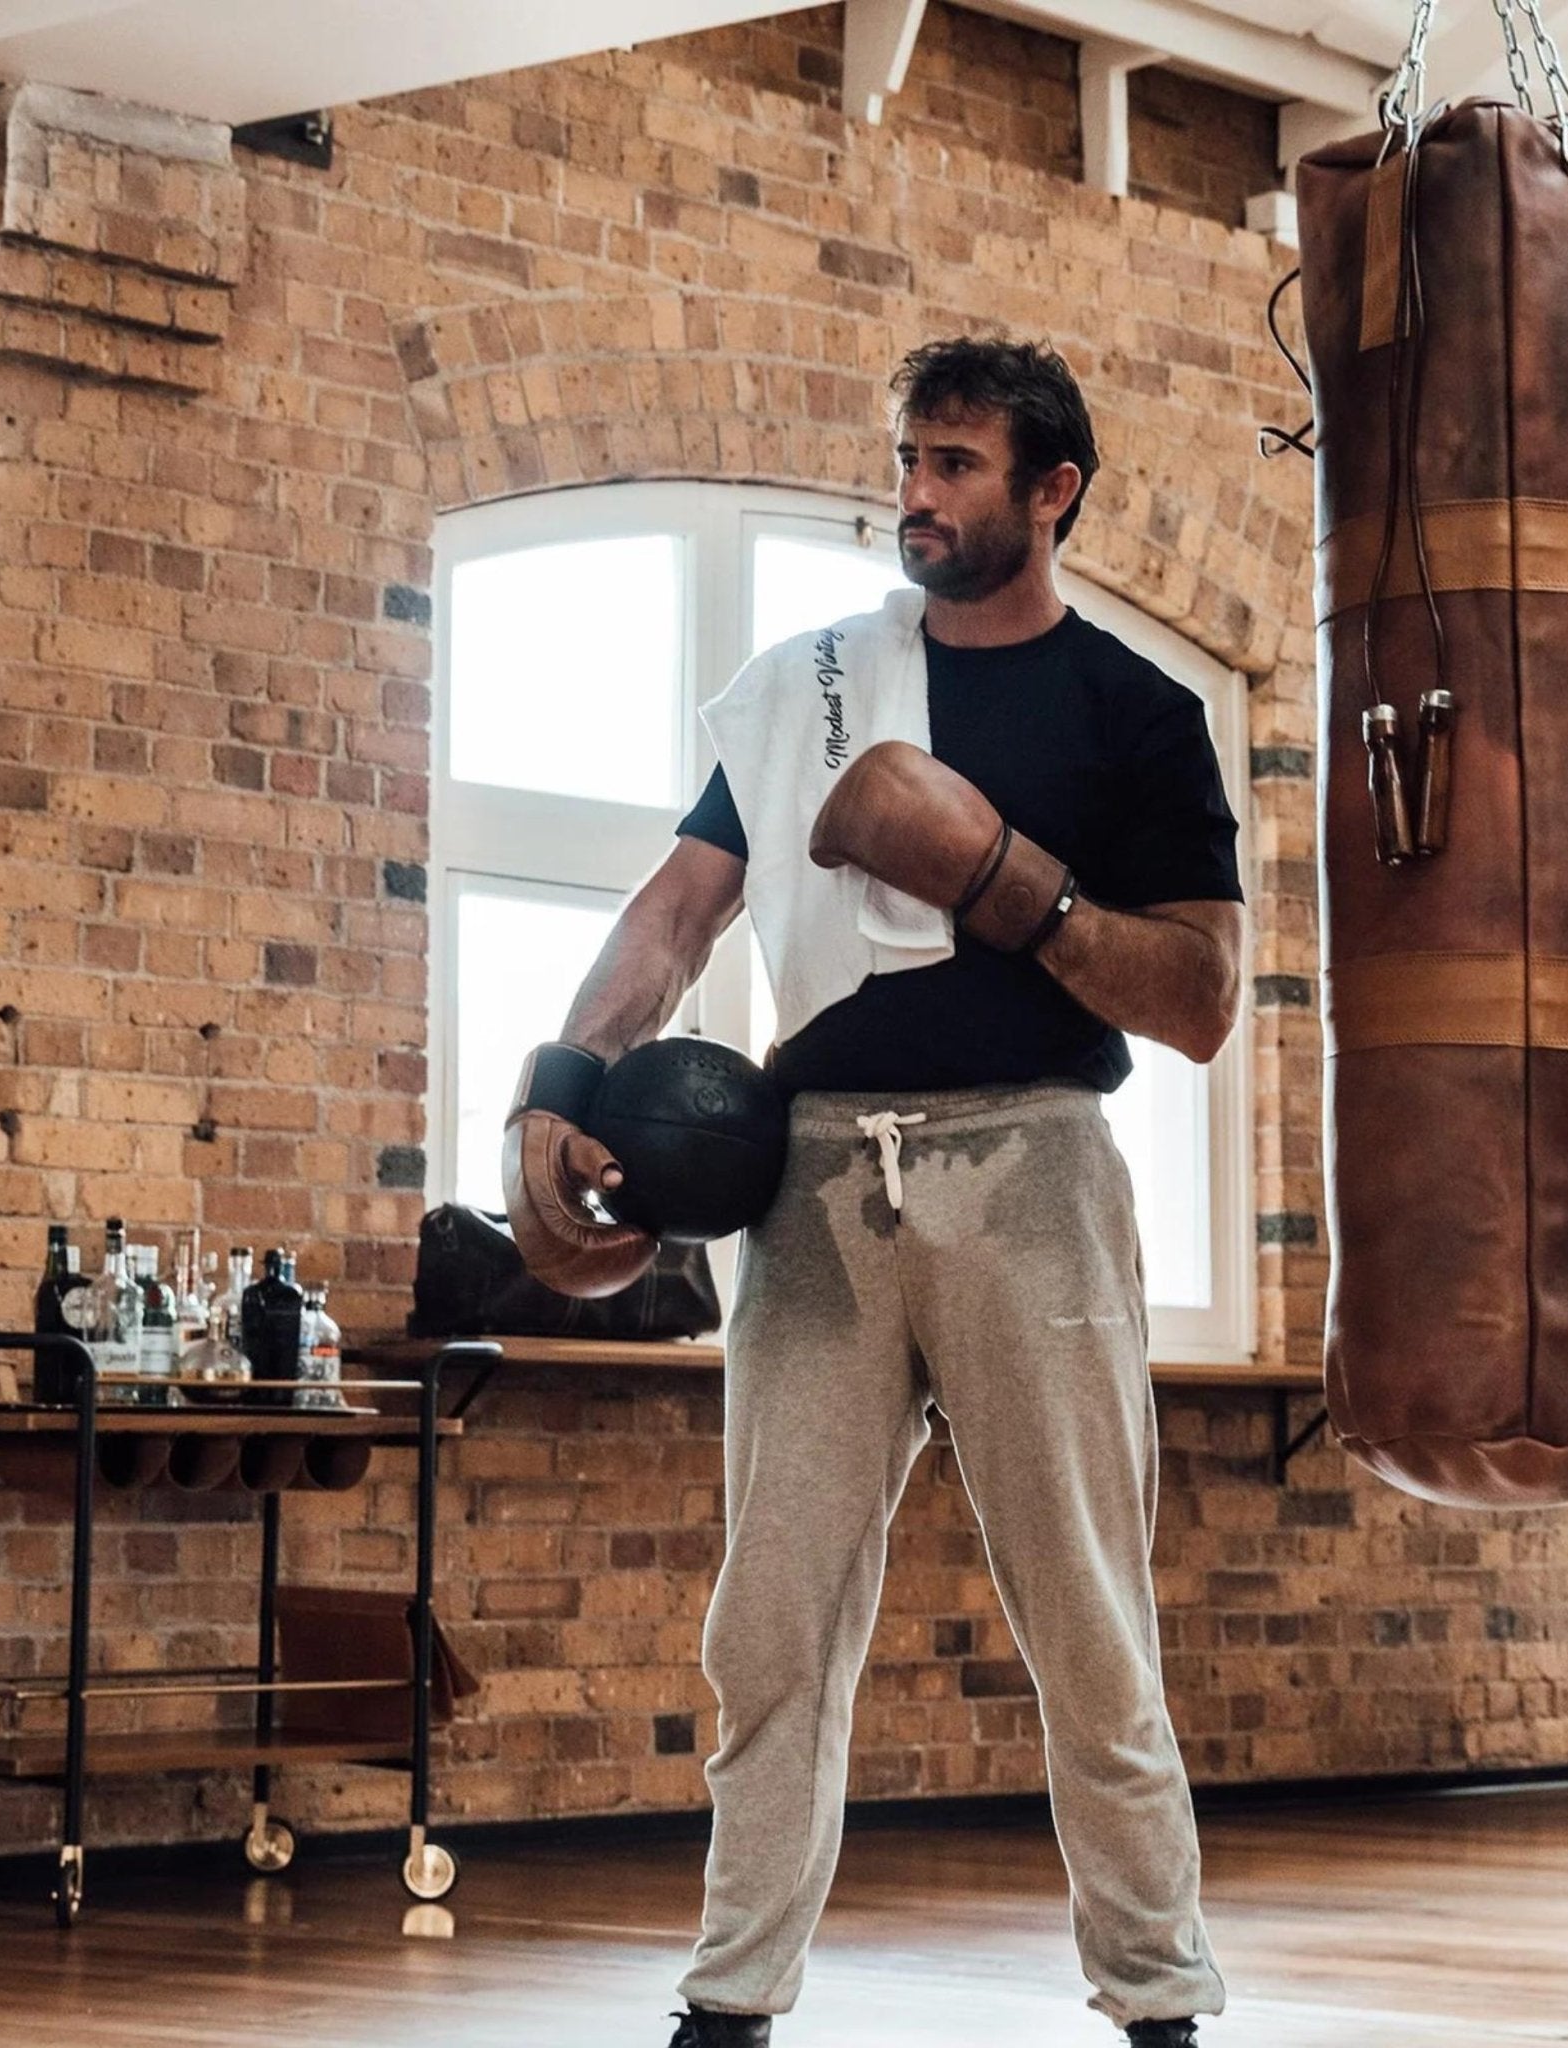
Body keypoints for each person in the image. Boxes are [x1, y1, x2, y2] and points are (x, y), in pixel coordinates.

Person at [503, 337, 1244, 2046]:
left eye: (959, 466)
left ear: (1053, 490)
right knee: (769, 1621)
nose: (915, 495)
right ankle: (731, 1998)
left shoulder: (1139, 713)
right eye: (909, 460)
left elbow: (1201, 1002)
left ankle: (1160, 2004)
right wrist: (557, 1082)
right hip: (817, 1178)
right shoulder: (810, 683)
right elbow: (684, 911)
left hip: (1033, 1170)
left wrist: (1001, 879)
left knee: (1087, 1621)